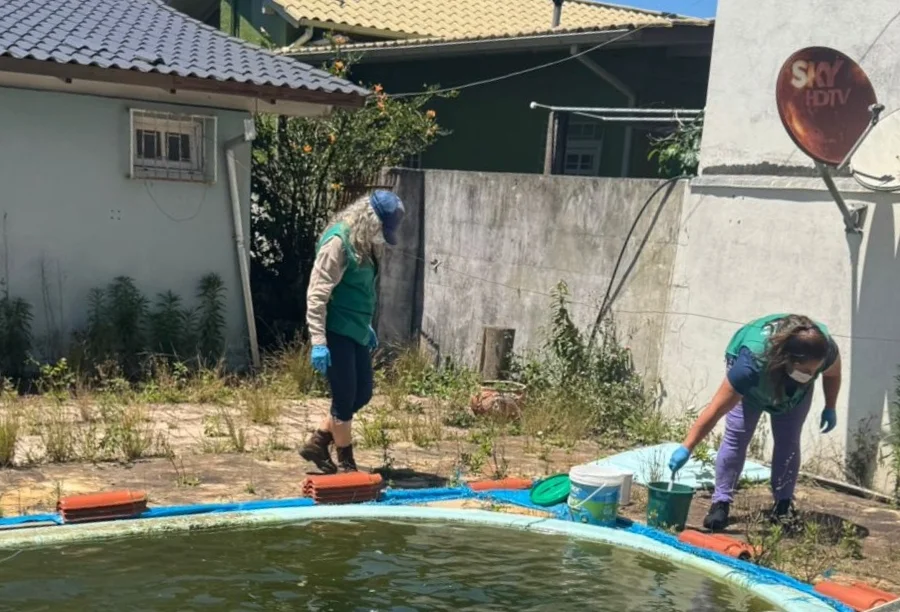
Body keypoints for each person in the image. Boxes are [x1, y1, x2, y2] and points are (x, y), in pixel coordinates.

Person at [668, 313, 842, 531]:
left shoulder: (824, 349)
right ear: (786, 359)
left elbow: (833, 374)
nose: (812, 374)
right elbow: (715, 409)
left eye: (815, 370)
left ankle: (783, 506)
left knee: (788, 441)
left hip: (794, 394)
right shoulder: (750, 365)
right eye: (805, 371)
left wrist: (830, 406)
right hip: (754, 385)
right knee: (737, 436)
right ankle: (720, 502)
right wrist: (687, 446)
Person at [299, 190, 405, 473]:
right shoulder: (337, 243)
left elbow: (359, 290)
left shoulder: (364, 244)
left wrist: (366, 325)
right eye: (382, 229)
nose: (382, 236)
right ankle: (347, 463)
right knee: (345, 399)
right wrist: (319, 342)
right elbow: (317, 296)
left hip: (356, 330)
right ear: (370, 221)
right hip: (336, 331)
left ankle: (320, 440)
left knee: (363, 393)